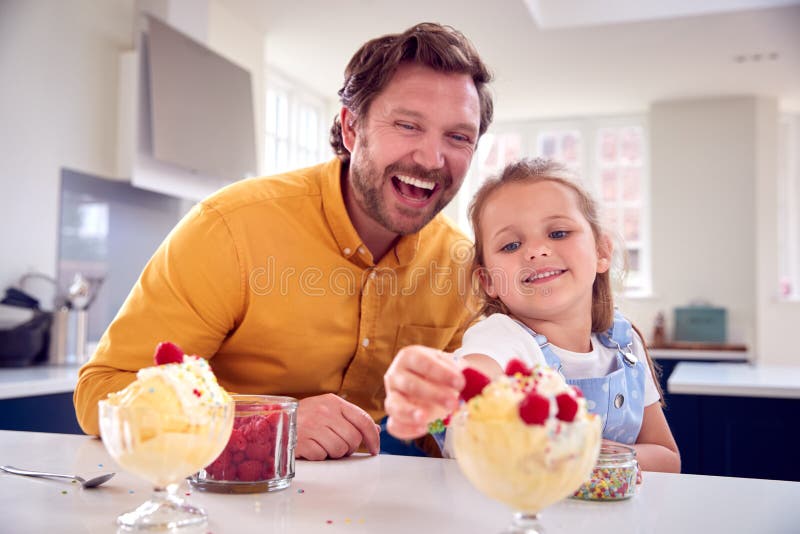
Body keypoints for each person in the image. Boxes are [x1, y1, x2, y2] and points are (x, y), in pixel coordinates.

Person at [73, 22, 494, 461]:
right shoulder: (231, 228)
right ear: (352, 129)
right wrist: (269, 422)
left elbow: (448, 429)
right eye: (407, 125)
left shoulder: (461, 266)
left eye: (458, 137)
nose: (431, 159)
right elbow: (103, 391)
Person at [384, 158, 681, 473]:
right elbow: (476, 381)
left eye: (558, 233)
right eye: (511, 245)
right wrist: (442, 390)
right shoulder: (501, 339)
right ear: (488, 281)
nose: (536, 251)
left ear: (601, 252)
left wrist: (590, 456)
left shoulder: (625, 344)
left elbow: (667, 458)